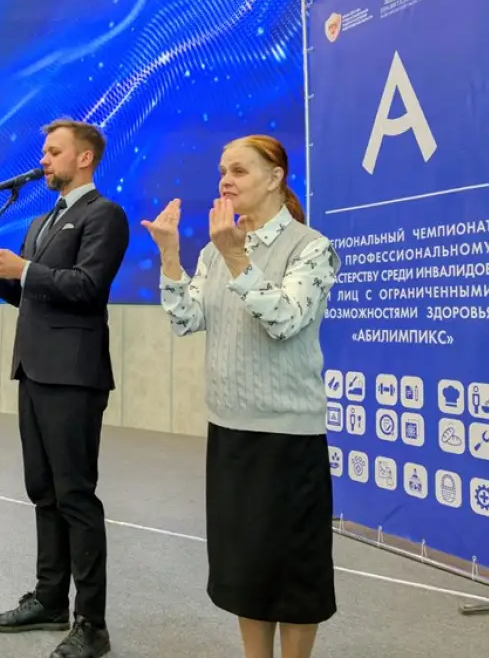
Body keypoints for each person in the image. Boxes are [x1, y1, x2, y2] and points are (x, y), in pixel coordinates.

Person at [141, 134, 340, 658]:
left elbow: (285, 320)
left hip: (287, 436)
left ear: (275, 178)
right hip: (229, 429)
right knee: (245, 568)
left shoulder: (311, 247)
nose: (225, 181)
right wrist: (170, 256)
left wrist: (236, 258)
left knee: (293, 575)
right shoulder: (216, 248)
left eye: (239, 170)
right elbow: (187, 319)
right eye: (222, 171)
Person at [0, 118, 130, 658]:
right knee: (42, 491)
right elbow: (29, 295)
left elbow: (88, 286)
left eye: (53, 152)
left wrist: (25, 269)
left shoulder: (104, 215)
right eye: (44, 152)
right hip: (33, 370)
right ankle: (50, 600)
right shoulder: (42, 222)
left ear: (84, 158)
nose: (43, 160)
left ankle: (92, 624)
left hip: (73, 376)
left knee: (75, 496)